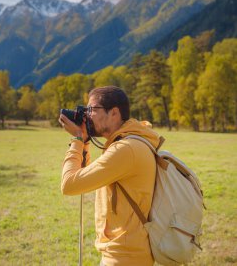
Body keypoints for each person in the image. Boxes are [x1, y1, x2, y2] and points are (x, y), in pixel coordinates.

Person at [59, 86, 161, 266]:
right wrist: (84, 141)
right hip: (127, 252)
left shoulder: (126, 149)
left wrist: (76, 138)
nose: (87, 115)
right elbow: (84, 174)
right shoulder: (126, 143)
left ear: (114, 113)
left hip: (124, 257)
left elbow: (69, 184)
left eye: (92, 109)